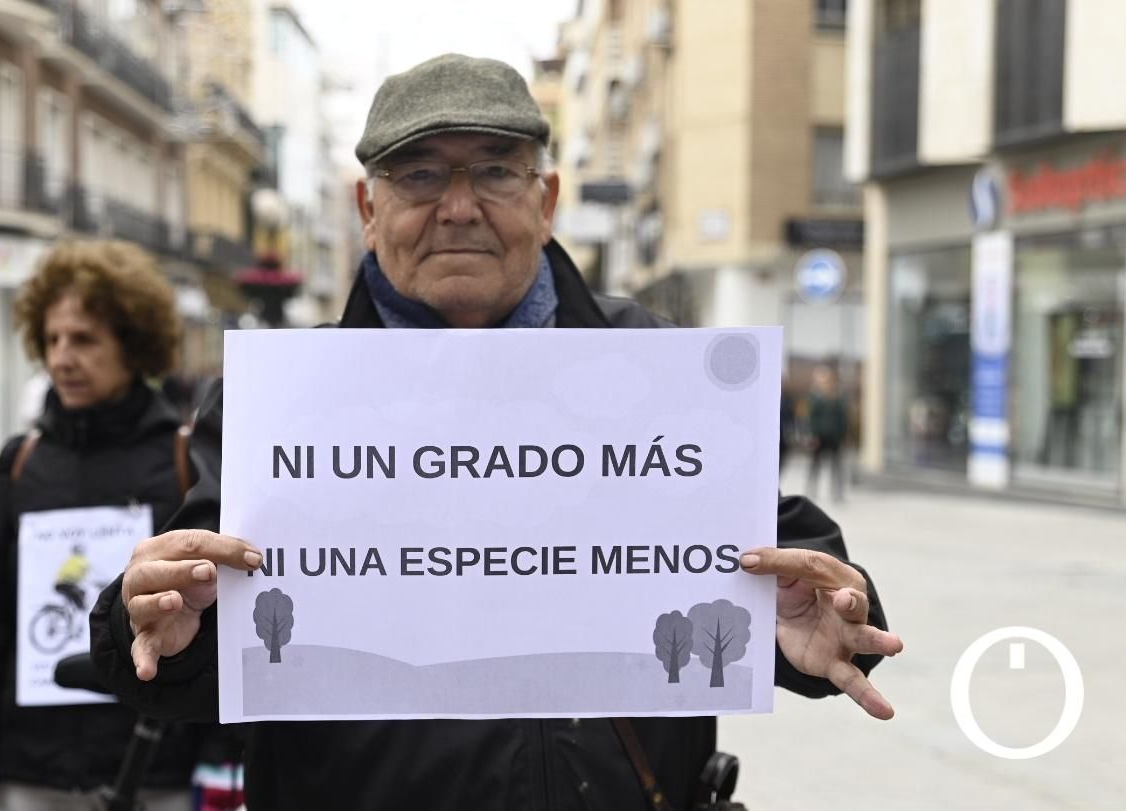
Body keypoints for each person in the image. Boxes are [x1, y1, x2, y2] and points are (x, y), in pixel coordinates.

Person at [90, 54, 905, 811]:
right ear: (368, 210)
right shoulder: (278, 403)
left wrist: (822, 616)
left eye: (494, 171)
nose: (458, 207)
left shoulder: (655, 368)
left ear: (545, 202)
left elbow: (779, 562)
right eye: (418, 175)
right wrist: (154, 627)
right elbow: (181, 646)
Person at [0, 240, 224, 811]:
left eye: (84, 339)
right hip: (31, 768)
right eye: (53, 340)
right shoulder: (19, 464)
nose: (62, 358)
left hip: (157, 764)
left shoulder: (185, 462)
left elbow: (222, 616)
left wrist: (223, 752)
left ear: (133, 345)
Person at [805, 364, 849, 503]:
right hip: (819, 437)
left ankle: (837, 493)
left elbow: (843, 418)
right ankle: (811, 491)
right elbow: (811, 418)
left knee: (837, 466)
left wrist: (843, 435)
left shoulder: (838, 397)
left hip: (834, 437)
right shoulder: (815, 397)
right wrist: (813, 434)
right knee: (815, 465)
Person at [56, 544, 90, 612]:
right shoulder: (80, 561)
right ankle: (81, 610)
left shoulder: (69, 560)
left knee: (81, 593)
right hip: (66, 584)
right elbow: (86, 571)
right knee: (79, 596)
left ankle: (72, 611)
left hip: (60, 584)